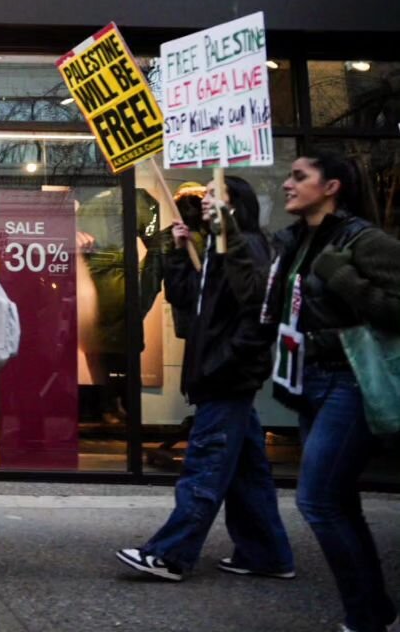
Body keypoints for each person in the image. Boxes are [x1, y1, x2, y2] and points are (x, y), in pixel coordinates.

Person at [115, 175, 293, 582]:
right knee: (248, 472)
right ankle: (267, 553)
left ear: (238, 205)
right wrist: (180, 253)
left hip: (225, 376)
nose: (207, 203)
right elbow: (186, 298)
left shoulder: (246, 248)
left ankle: (171, 554)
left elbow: (256, 314)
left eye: (217, 197)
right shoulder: (216, 248)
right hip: (220, 372)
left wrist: (226, 362)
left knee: (205, 467)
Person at [266, 151, 399, 632]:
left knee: (317, 501)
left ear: (332, 186)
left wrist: (341, 277)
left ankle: (365, 617)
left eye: (300, 176)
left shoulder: (365, 241)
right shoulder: (295, 241)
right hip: (312, 379)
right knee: (339, 501)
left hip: (351, 381)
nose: (287, 184)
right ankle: (374, 611)